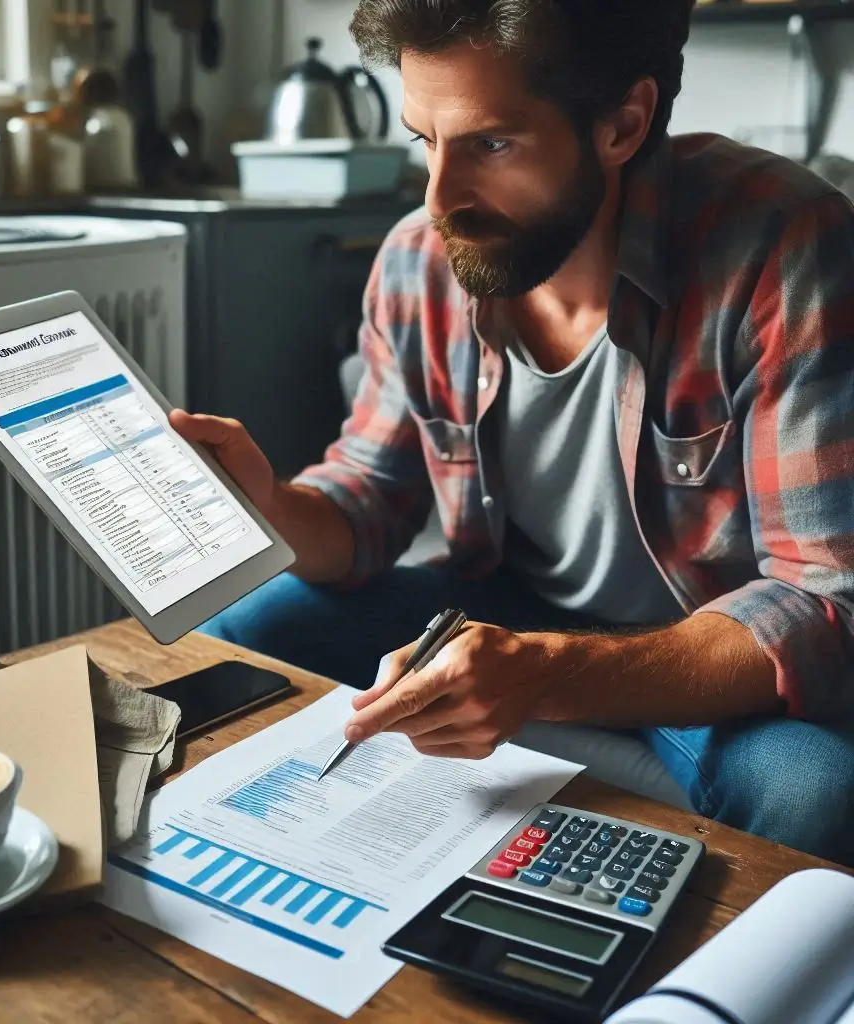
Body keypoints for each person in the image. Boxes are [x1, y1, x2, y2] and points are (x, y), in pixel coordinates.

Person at [173, 0, 854, 866]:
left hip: (704, 651)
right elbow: (368, 502)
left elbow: (828, 603)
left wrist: (547, 670)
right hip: (504, 606)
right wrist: (265, 502)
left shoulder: (784, 245)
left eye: (489, 144)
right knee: (254, 615)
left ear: (622, 124)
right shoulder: (421, 259)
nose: (439, 197)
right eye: (426, 140)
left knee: (819, 793)